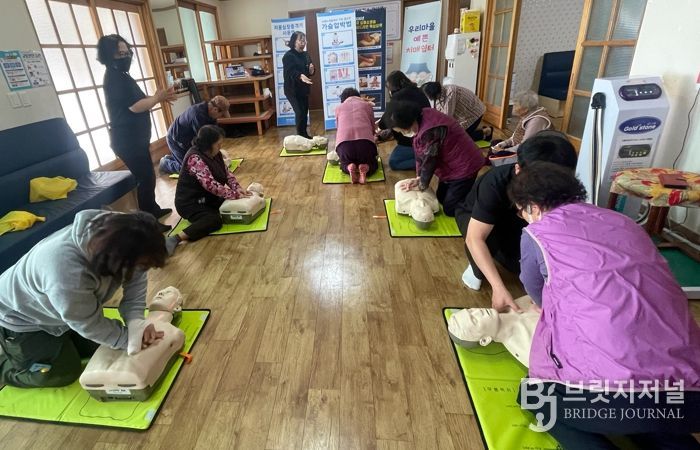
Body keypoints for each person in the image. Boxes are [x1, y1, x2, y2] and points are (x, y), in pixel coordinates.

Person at [508, 162, 700, 450]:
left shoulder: (539, 233)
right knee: (649, 412)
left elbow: (534, 287)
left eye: (521, 211)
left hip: (611, 397)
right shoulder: (624, 222)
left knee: (534, 396)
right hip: (690, 394)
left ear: (532, 207)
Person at [0, 210, 168, 388]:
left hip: (62, 309)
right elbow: (88, 324)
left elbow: (135, 281)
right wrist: (127, 339)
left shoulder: (125, 234)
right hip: (23, 320)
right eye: (138, 265)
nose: (139, 270)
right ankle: (6, 368)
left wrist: (136, 323)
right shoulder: (66, 272)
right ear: (115, 259)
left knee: (102, 347)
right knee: (62, 373)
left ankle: (63, 342)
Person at [454, 131, 577, 312]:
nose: (547, 187)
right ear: (518, 169)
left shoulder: (565, 189)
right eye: (539, 182)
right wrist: (498, 288)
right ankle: (476, 267)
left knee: (521, 268)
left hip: (518, 222)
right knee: (485, 248)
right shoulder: (495, 182)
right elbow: (475, 238)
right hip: (479, 216)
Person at [98, 34, 176, 232]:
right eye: (120, 54)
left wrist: (158, 97)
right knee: (145, 178)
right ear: (108, 55)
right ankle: (147, 223)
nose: (125, 57)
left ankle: (153, 209)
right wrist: (157, 98)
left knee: (149, 176)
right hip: (127, 140)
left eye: (127, 52)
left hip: (135, 139)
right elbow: (135, 107)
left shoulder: (122, 75)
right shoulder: (115, 79)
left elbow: (139, 100)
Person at [391, 101, 484, 217]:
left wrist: (421, 185)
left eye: (403, 130)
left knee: (450, 209)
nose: (404, 133)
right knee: (440, 198)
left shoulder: (430, 130)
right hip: (452, 165)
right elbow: (421, 154)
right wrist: (418, 178)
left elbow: (430, 161)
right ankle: (467, 192)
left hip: (465, 166)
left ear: (409, 122)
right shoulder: (422, 116)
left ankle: (483, 203)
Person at [172, 125, 250, 248]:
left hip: (208, 199)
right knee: (214, 220)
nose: (220, 147)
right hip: (190, 203)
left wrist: (237, 188)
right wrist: (235, 195)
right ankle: (176, 238)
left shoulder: (216, 153)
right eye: (218, 144)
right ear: (208, 144)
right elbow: (211, 185)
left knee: (231, 204)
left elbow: (227, 173)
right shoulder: (195, 158)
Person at [159, 95, 230, 174]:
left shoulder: (212, 114)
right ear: (215, 109)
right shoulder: (198, 115)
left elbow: (214, 137)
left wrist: (219, 155)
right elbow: (203, 142)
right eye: (222, 114)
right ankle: (165, 163)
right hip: (176, 140)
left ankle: (174, 158)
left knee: (200, 163)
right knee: (189, 169)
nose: (221, 116)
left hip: (188, 139)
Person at [377, 70, 431, 170]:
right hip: (427, 134)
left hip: (413, 139)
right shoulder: (418, 91)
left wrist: (379, 128)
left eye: (389, 87)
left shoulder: (399, 96)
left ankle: (427, 161)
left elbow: (384, 122)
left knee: (394, 162)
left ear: (392, 86)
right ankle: (426, 156)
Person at [334, 88, 379, 184]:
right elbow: (373, 128)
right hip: (365, 145)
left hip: (344, 146)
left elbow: (338, 129)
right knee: (373, 163)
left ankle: (349, 166)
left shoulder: (338, 108)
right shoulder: (367, 105)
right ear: (358, 96)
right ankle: (366, 167)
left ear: (343, 99)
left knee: (343, 163)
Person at [422, 81, 491, 142]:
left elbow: (447, 119)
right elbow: (438, 112)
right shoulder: (441, 92)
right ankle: (478, 129)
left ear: (435, 94)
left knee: (459, 137)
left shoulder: (450, 93)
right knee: (453, 134)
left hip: (474, 113)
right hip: (464, 115)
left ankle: (486, 131)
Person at [283, 31, 315, 139]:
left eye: (304, 40)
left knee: (304, 111)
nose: (303, 42)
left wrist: (311, 71)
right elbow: (290, 72)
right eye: (300, 40)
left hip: (303, 89)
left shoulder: (306, 55)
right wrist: (300, 76)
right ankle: (301, 136)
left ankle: (304, 134)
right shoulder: (288, 56)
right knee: (300, 112)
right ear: (294, 42)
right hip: (292, 89)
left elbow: (310, 70)